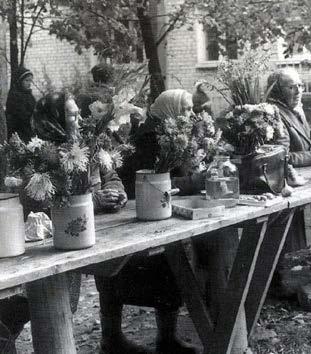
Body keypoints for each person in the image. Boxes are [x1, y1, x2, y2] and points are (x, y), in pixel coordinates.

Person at [0, 92, 128, 353]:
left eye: (79, 113)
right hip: (50, 244)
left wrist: (116, 193)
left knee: (66, 302)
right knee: (47, 303)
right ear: (53, 119)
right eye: (72, 115)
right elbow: (39, 202)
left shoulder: (87, 145)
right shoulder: (39, 154)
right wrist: (94, 200)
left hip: (93, 234)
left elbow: (111, 174)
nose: (79, 120)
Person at [95, 89, 198, 354]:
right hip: (132, 220)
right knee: (148, 268)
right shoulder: (150, 139)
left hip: (157, 216)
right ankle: (116, 339)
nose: (191, 114)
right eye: (185, 109)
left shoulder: (169, 134)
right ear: (169, 110)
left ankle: (166, 338)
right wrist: (196, 181)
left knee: (173, 265)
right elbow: (157, 182)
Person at [269, 67, 311, 254]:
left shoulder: (294, 108)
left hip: (303, 177)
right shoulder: (274, 113)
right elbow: (283, 156)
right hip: (285, 181)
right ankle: (278, 274)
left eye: (300, 85)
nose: (298, 91)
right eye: (291, 87)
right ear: (278, 90)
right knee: (282, 236)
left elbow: (303, 137)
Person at [5, 66, 36, 142]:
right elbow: (18, 115)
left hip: (30, 129)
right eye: (26, 80)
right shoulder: (14, 95)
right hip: (18, 131)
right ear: (20, 81)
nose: (29, 84)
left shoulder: (29, 95)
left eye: (30, 81)